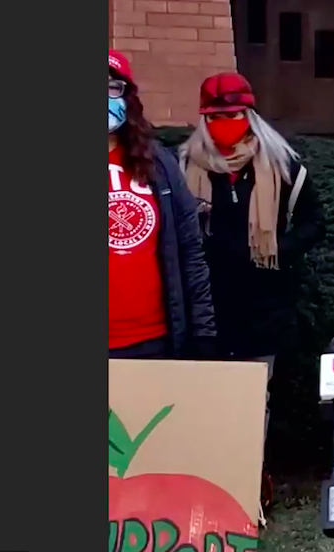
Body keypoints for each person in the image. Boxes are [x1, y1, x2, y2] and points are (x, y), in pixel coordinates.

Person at [178, 72, 325, 464]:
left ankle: (247, 481)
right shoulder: (185, 166)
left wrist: (278, 250)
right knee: (208, 401)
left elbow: (314, 222)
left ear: (249, 114)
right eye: (215, 116)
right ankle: (209, 480)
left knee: (253, 402)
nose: (225, 125)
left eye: (234, 115)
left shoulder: (282, 165)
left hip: (264, 308)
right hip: (209, 308)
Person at [109, 49, 216, 360]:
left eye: (112, 87)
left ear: (127, 97)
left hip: (151, 342)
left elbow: (190, 251)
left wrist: (203, 332)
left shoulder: (158, 164)